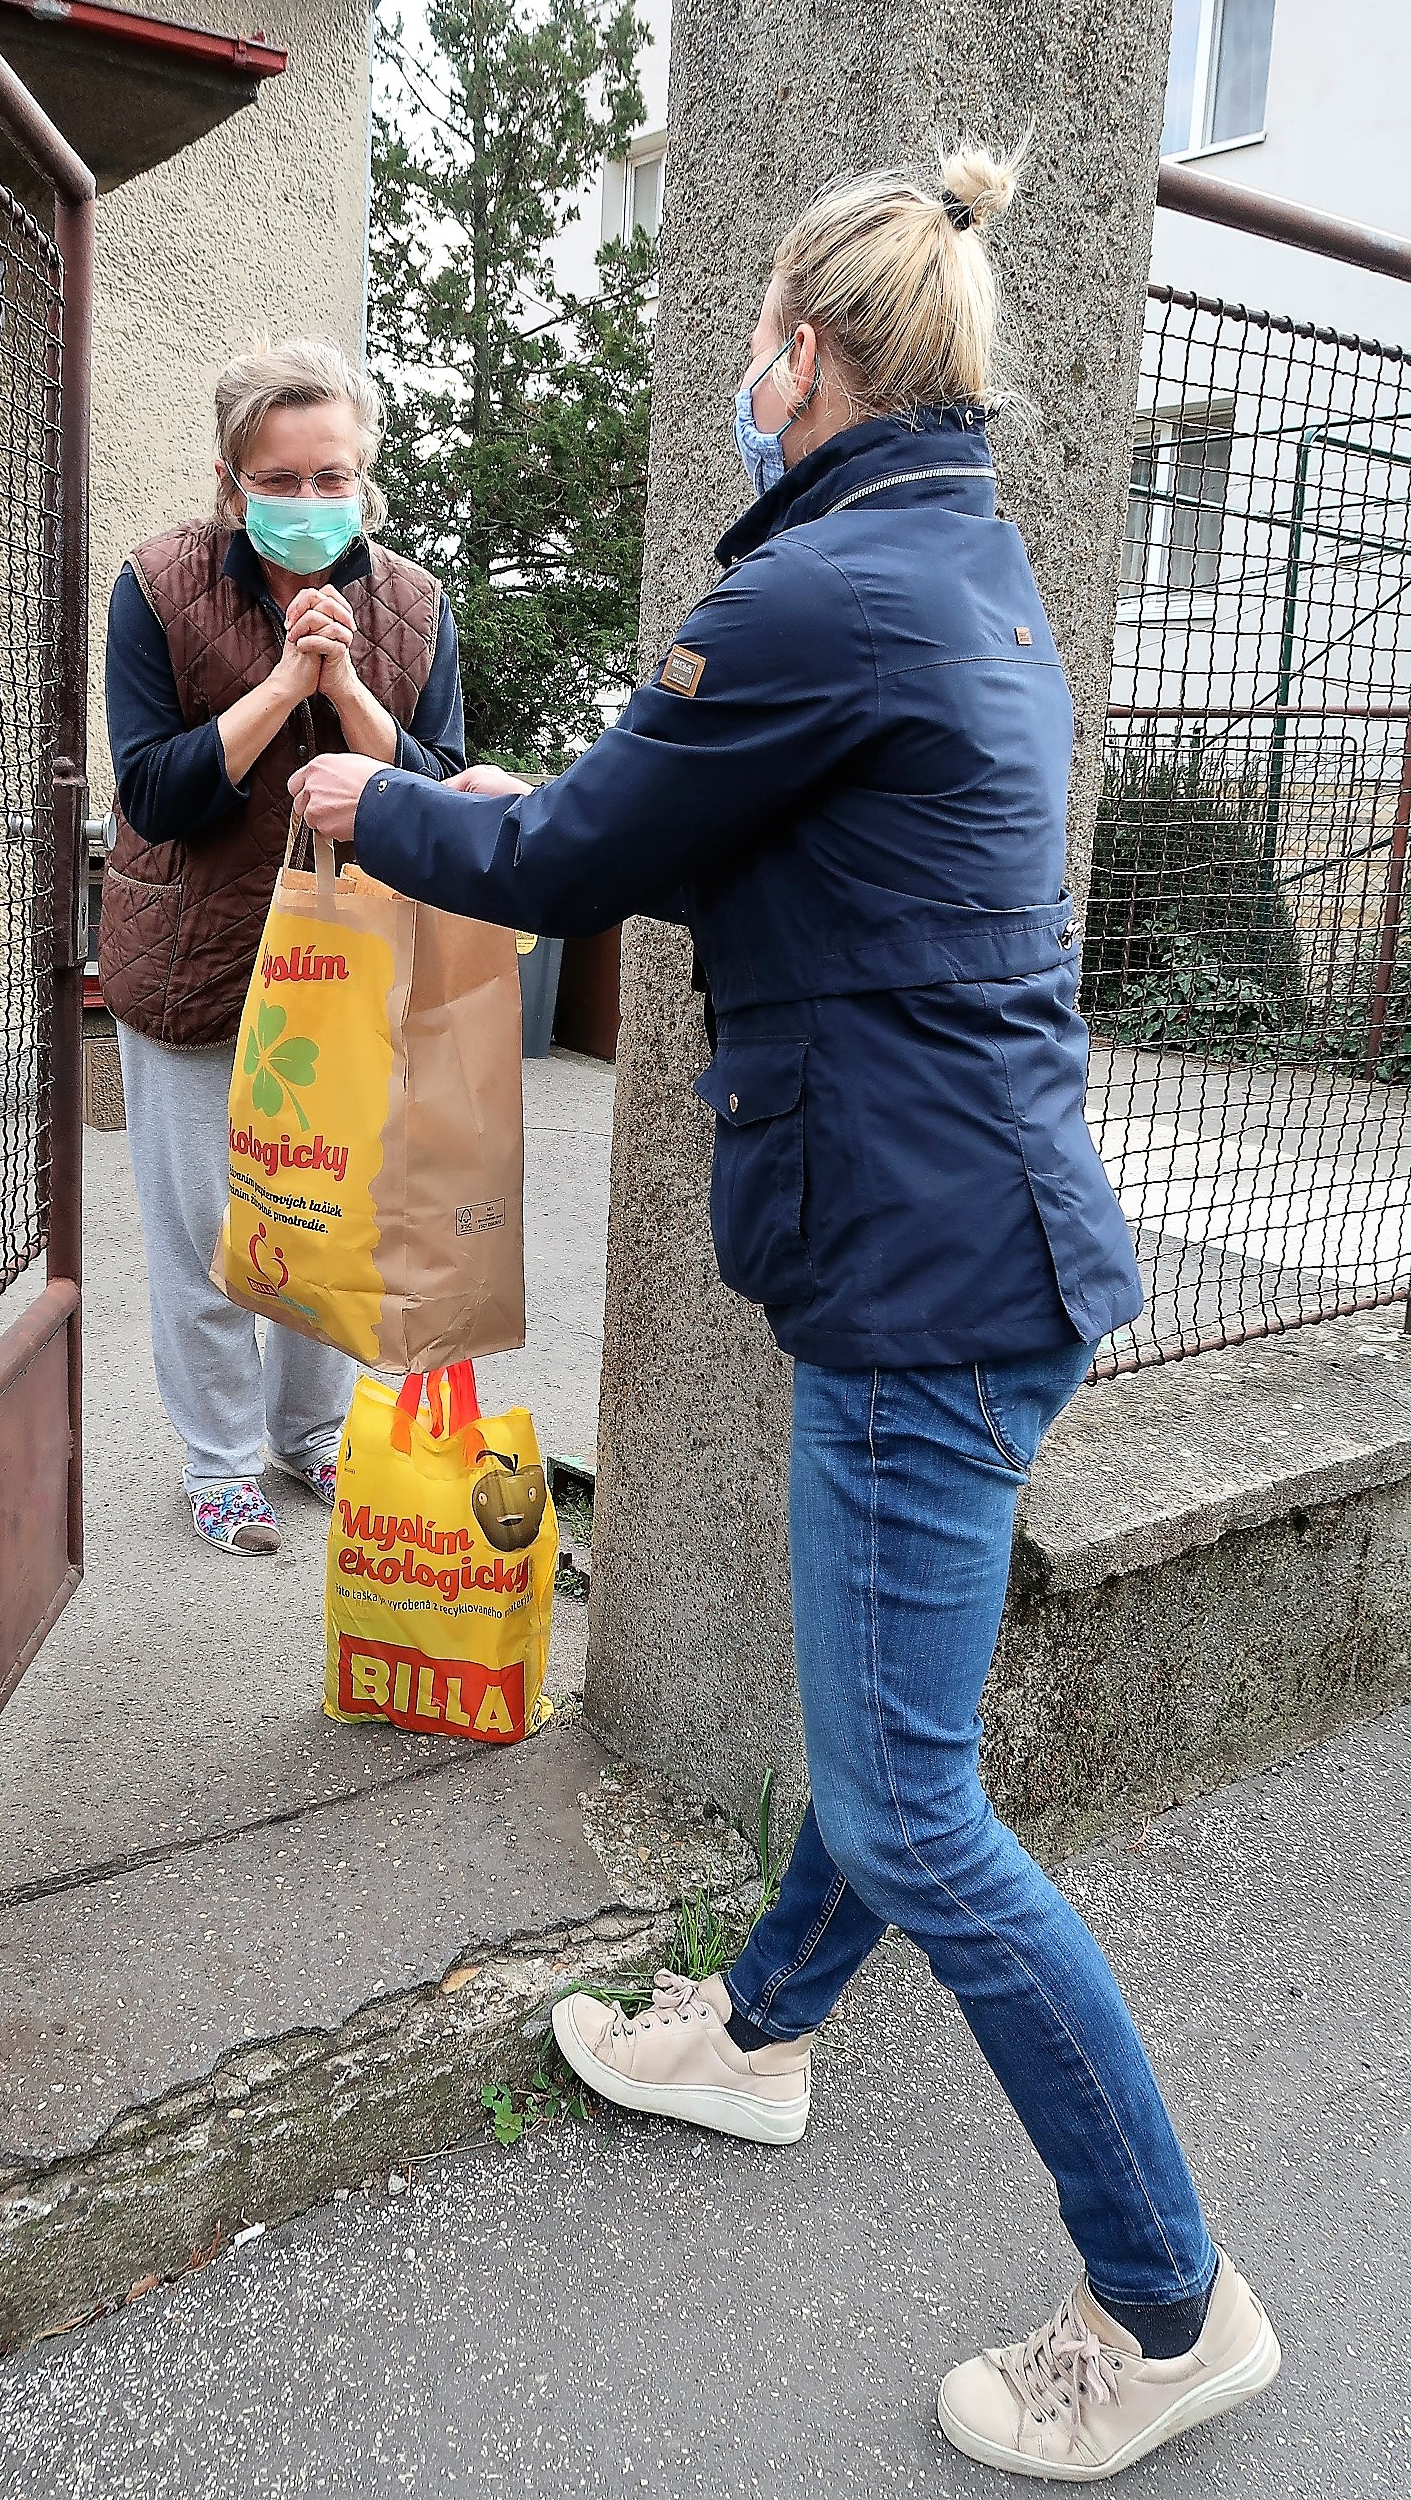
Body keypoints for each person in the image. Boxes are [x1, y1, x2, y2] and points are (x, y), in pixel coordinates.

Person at [289, 150, 1282, 2478]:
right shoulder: (949, 562)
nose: (742, 373)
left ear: (806, 358)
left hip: (925, 1278)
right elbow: (725, 820)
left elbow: (558, 867)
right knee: (890, 1725)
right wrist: (561, 791)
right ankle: (752, 2026)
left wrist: (367, 791)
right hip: (976, 1241)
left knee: (916, 1801)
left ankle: (1163, 2294)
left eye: (754, 334)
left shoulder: (823, 589)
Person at [99, 338, 464, 1555]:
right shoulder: (155, 588)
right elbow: (154, 793)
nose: (310, 503)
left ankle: (309, 1437)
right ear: (230, 477)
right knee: (208, 1238)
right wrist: (276, 686)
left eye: (333, 478)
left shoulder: (413, 607)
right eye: (282, 478)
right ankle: (217, 1460)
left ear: (364, 479)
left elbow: (443, 794)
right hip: (198, 969)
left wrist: (351, 689)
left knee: (321, 1229)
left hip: (350, 978)